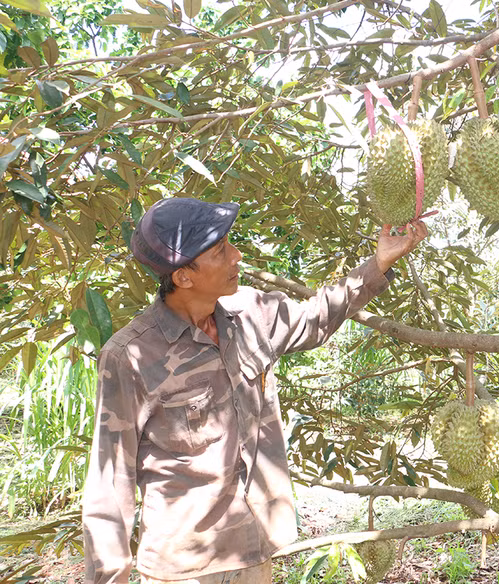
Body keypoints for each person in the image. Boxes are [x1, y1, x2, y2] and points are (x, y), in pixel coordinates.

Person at [82, 197, 427, 584]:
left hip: (254, 550)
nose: (237, 256)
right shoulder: (131, 355)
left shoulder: (250, 313)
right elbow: (110, 483)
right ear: (183, 277)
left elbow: (316, 318)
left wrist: (380, 262)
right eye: (221, 250)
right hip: (183, 567)